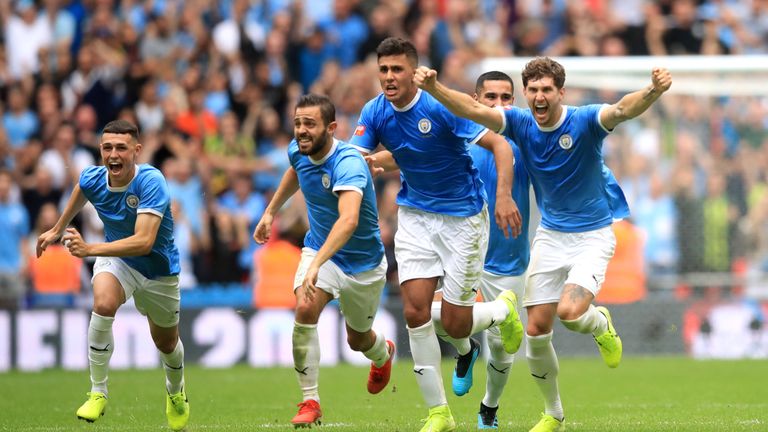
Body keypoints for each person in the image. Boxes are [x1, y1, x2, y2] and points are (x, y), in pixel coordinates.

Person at [415, 57, 672, 431]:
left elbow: (621, 109)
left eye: (546, 89)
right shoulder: (519, 123)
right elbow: (472, 109)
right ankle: (554, 414)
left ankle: (600, 324)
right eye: (532, 89)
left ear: (560, 93)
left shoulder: (583, 121)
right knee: (535, 333)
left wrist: (652, 90)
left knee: (569, 313)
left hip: (593, 235)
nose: (538, 96)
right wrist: (434, 88)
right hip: (550, 237)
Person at [350, 37, 524, 432]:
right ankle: (439, 413)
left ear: (414, 71)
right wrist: (365, 161)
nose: (389, 77)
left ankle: (502, 311)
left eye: (397, 69)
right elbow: (370, 154)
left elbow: (499, 144)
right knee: (414, 312)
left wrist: (502, 196)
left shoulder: (441, 105)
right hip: (414, 215)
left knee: (456, 324)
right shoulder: (374, 111)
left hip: (463, 217)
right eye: (384, 70)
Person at [36, 120, 189, 431]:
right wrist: (57, 227)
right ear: (100, 150)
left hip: (159, 270)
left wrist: (89, 248)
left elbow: (144, 241)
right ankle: (98, 391)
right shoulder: (94, 176)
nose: (114, 154)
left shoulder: (151, 181)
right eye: (107, 148)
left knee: (166, 342)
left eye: (121, 147)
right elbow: (82, 188)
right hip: (118, 260)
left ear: (137, 150)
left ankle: (176, 392)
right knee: (103, 303)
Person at [253, 94, 395, 428]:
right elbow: (294, 171)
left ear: (331, 128)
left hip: (364, 264)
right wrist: (270, 212)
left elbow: (347, 221)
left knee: (357, 340)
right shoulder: (298, 149)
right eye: (298, 123)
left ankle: (382, 353)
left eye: (310, 124)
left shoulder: (348, 163)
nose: (301, 131)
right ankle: (309, 400)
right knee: (304, 306)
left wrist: (317, 264)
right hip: (319, 249)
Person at [428, 71, 531, 430]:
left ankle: (489, 407)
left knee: (502, 349)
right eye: (491, 97)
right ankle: (464, 350)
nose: (499, 105)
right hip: (464, 251)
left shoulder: (523, 138)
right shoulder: (459, 135)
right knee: (428, 314)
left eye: (506, 98)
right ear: (475, 99)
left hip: (509, 259)